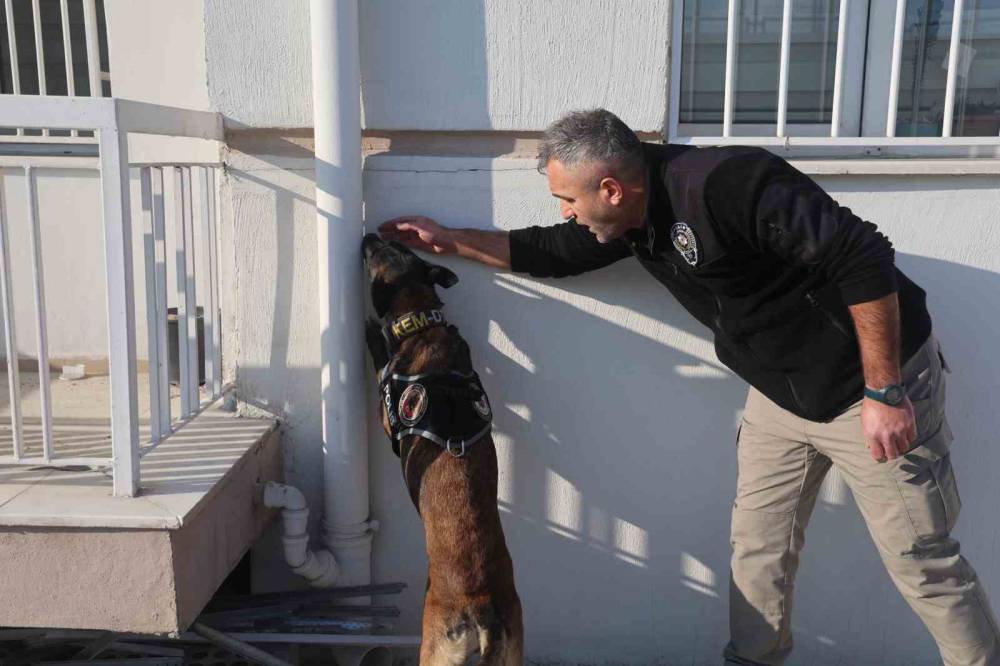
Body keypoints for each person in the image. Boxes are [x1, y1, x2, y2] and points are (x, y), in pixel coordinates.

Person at [378, 108, 1000, 665]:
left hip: (869, 385)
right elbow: (553, 250)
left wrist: (886, 392)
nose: (563, 212)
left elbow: (863, 256)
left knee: (922, 560)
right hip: (782, 397)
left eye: (567, 198)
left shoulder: (728, 186)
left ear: (611, 188)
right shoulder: (629, 221)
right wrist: (452, 241)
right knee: (758, 554)